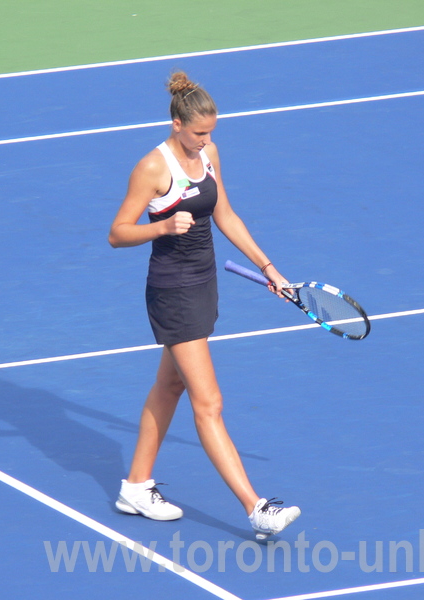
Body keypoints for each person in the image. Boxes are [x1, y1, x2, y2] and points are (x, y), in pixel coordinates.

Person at [108, 71, 300, 540]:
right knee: (208, 403)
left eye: (210, 132)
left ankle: (135, 485)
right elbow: (117, 233)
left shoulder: (208, 154)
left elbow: (224, 214)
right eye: (198, 133)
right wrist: (161, 227)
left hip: (204, 283)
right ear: (176, 124)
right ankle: (256, 508)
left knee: (169, 385)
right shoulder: (153, 168)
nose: (206, 140)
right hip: (172, 292)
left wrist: (269, 267)